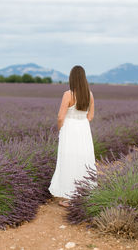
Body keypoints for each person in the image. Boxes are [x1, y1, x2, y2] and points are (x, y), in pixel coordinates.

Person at [48, 65, 97, 208]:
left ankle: (69, 197)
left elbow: (60, 116)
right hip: (83, 129)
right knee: (83, 159)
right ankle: (83, 194)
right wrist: (81, 124)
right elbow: (91, 116)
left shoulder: (68, 94)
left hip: (69, 129)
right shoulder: (90, 94)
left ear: (72, 78)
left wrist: (61, 129)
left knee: (68, 159)